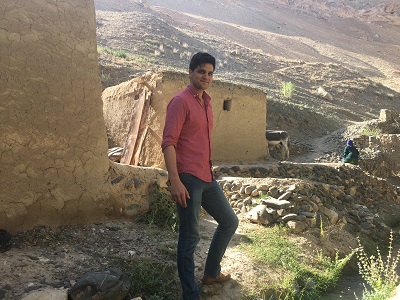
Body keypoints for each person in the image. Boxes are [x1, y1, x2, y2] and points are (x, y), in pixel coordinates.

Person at [161, 52, 239, 300]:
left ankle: (211, 273)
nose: (206, 76)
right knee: (190, 236)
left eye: (210, 73)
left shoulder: (206, 102)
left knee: (229, 222)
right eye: (201, 71)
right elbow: (168, 143)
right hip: (187, 178)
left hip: (206, 176)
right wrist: (175, 180)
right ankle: (190, 294)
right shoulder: (180, 101)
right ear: (191, 72)